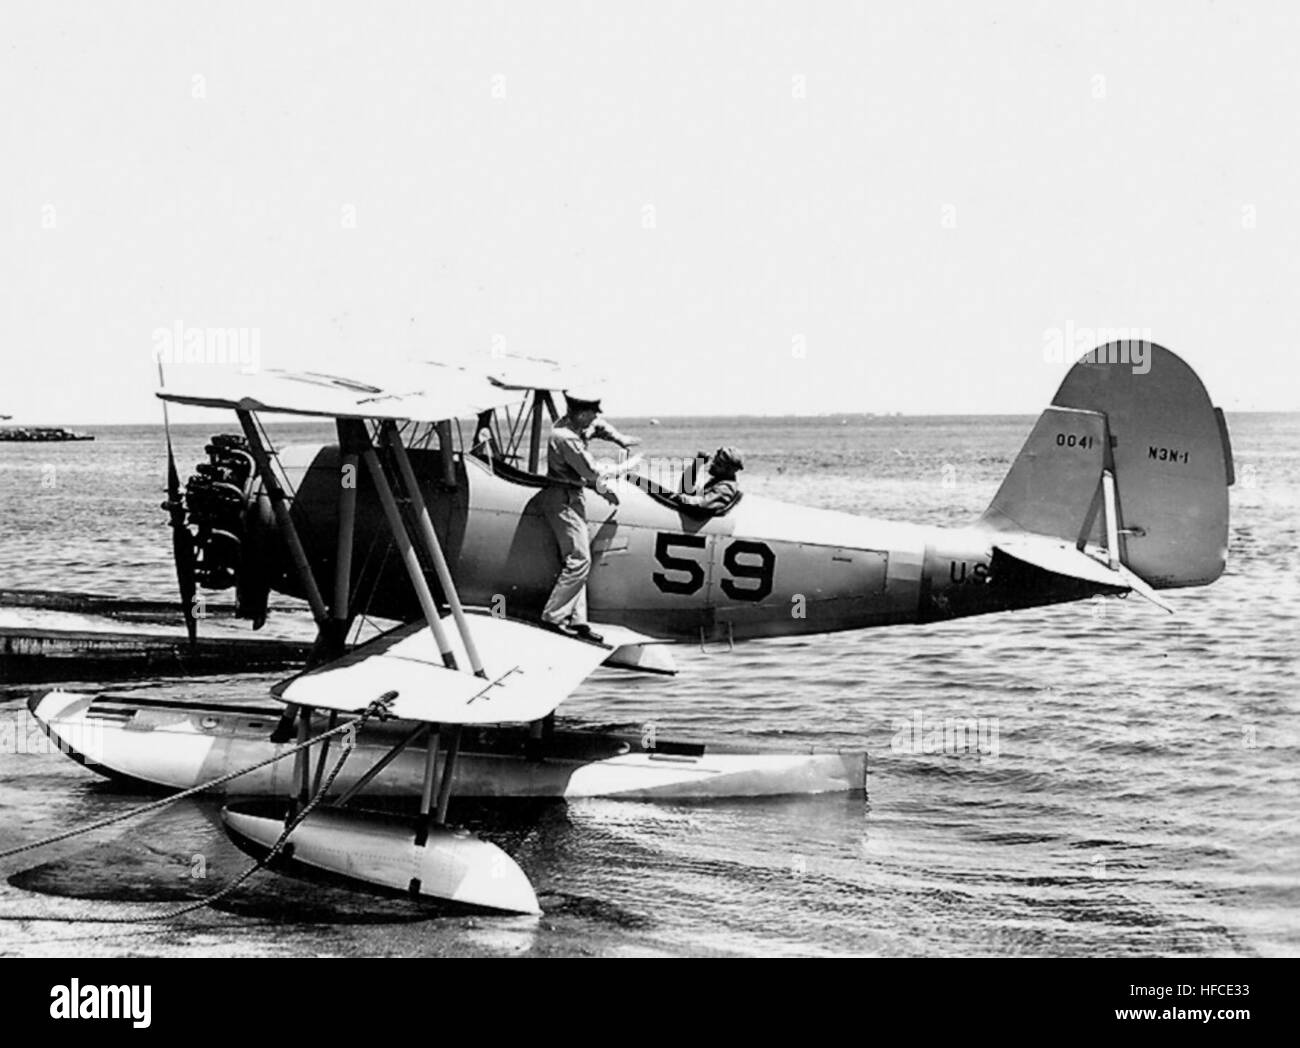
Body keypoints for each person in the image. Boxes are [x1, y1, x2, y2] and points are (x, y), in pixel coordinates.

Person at [538, 392, 641, 642]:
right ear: (582, 413)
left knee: (579, 560)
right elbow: (592, 472)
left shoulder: (571, 425)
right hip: (563, 499)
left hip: (571, 495)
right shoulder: (566, 439)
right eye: (592, 412)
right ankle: (553, 617)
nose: (596, 417)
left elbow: (599, 427)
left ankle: (577, 621)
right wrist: (626, 467)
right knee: (579, 560)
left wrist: (620, 440)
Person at [672, 446, 743, 515]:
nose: (712, 464)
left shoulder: (725, 488)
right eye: (714, 460)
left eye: (718, 464)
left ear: (730, 470)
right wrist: (696, 465)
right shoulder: (718, 482)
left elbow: (701, 503)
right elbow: (687, 490)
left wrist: (680, 498)